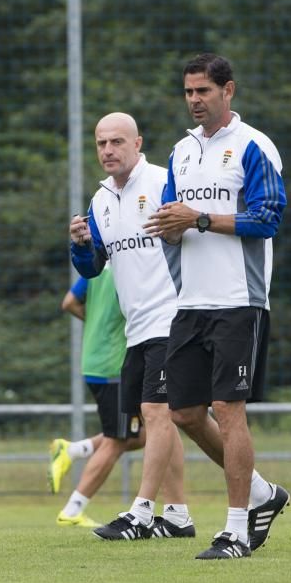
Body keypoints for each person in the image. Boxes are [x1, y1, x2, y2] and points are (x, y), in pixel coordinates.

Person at [143, 53, 289, 560]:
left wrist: (199, 218)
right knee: (183, 412)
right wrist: (169, 225)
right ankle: (263, 494)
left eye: (203, 91)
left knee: (228, 409)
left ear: (229, 91)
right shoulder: (181, 152)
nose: (194, 100)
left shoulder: (254, 146)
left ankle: (236, 530)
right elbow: (170, 220)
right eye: (188, 92)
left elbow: (268, 218)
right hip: (191, 305)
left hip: (238, 303)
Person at [70, 111, 194, 541]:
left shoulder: (163, 182)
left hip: (173, 317)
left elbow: (195, 234)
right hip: (136, 327)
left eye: (117, 142)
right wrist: (81, 246)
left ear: (137, 143)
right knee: (157, 416)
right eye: (101, 143)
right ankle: (178, 515)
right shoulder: (100, 199)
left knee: (159, 413)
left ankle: (141, 512)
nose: (108, 150)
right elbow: (92, 268)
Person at [49, 266, 143, 528]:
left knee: (143, 434)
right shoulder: (130, 268)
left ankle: (74, 449)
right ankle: (73, 509)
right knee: (118, 439)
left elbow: (69, 302)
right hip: (115, 365)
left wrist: (96, 324)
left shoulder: (99, 267)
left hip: (94, 360)